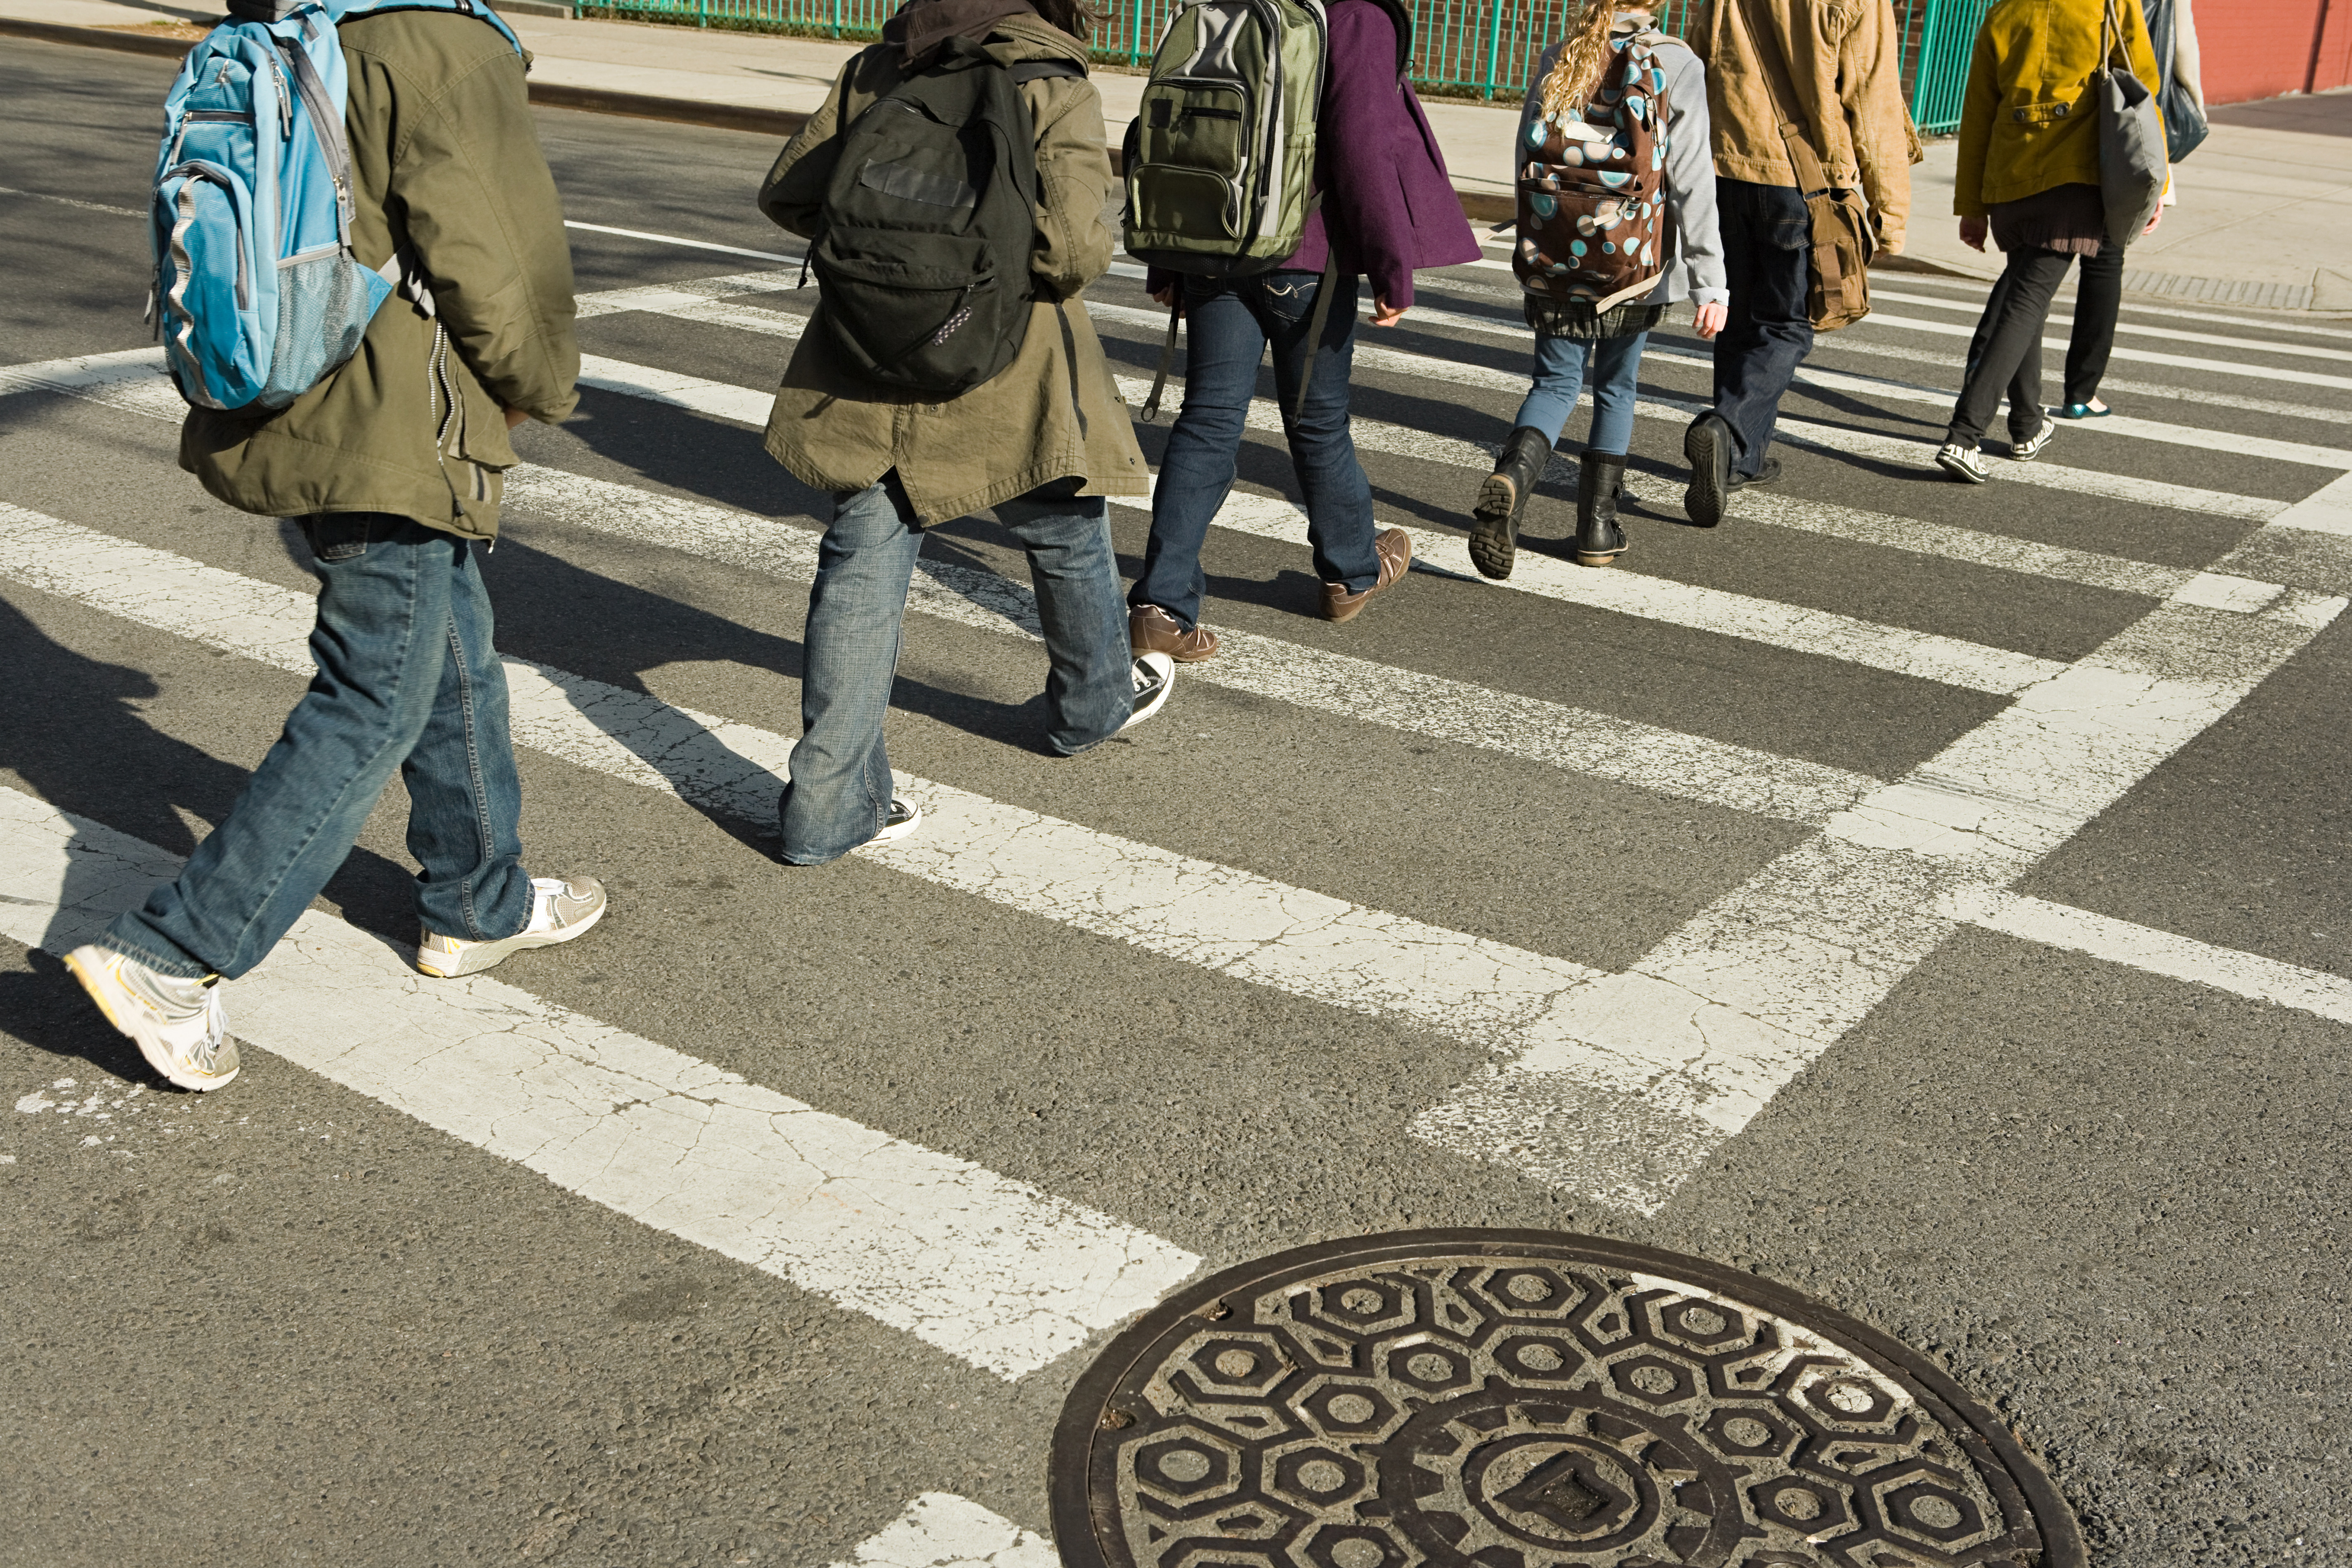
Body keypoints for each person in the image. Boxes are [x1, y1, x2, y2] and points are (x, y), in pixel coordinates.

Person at [66, 0, 600, 1093]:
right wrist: (541, 388)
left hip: (299, 387)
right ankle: (172, 953)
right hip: (393, 422)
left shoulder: (307, 27)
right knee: (373, 698)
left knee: (451, 652)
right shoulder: (443, 44)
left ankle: (477, 900)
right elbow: (502, 260)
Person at [756, 0, 1173, 865]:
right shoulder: (1052, 81)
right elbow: (1070, 252)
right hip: (1002, 360)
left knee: (861, 565)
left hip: (870, 358)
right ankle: (1089, 707)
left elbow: (792, 193)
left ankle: (825, 809)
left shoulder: (883, 66)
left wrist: (895, 270)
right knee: (1065, 523)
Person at [1125, 0, 1480, 664]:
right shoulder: (1354, 14)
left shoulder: (1227, 6)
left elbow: (1174, 126)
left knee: (1207, 419)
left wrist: (1169, 258)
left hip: (1215, 242)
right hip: (1305, 255)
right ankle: (1350, 572)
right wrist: (1392, 267)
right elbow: (1362, 146)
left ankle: (1159, 606)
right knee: (1316, 420)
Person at [1473, 2, 1729, 577]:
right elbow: (1692, 178)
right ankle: (1597, 529)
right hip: (1632, 264)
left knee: (1554, 383)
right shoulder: (1676, 64)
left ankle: (1511, 476)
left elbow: (1525, 158)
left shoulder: (1562, 55)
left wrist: (1540, 237)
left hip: (1559, 254)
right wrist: (1711, 283)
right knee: (1616, 387)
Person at [1680, 0, 1912, 527]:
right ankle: (1727, 427)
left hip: (1724, 169)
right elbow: (1872, 97)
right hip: (1801, 181)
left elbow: (1700, 59)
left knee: (1738, 318)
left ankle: (1741, 460)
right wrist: (1891, 211)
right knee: (1787, 326)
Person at [1935, 0, 2164, 483]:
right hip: (2071, 175)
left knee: (2026, 300)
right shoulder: (2109, 5)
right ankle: (1964, 433)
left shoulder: (2003, 13)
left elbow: (1977, 113)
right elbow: (2143, 89)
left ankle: (2027, 424)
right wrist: (2156, 185)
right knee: (2026, 302)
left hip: (2010, 176)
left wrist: (1972, 205)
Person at [2056, 0, 2202, 420]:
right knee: (2106, 257)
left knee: (2034, 265)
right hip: (2122, 128)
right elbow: (2181, 57)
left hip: (2058, 129)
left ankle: (1991, 374)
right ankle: (2081, 392)